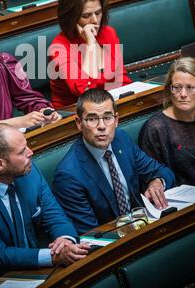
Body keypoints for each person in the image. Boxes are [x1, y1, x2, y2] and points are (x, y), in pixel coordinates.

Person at [0, 123, 89, 288]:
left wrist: (65, 240)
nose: (30, 152)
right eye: (22, 152)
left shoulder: (29, 171)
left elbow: (56, 217)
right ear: (0, 164)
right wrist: (53, 256)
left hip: (33, 272)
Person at [53, 89, 175, 233]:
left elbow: (164, 172)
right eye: (92, 119)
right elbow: (91, 235)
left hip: (144, 226)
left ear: (116, 120)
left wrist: (158, 182)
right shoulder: (68, 175)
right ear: (79, 123)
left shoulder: (121, 139)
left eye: (107, 117)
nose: (102, 126)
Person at [49, 0, 132, 108]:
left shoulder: (108, 33)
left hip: (110, 106)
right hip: (76, 114)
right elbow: (84, 91)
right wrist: (91, 45)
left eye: (98, 13)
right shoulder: (59, 47)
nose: (94, 20)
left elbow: (121, 79)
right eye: (86, 15)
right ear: (71, 17)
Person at [139, 57, 195, 186]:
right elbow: (150, 178)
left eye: (190, 88)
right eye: (177, 87)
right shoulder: (155, 128)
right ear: (170, 89)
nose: (183, 94)